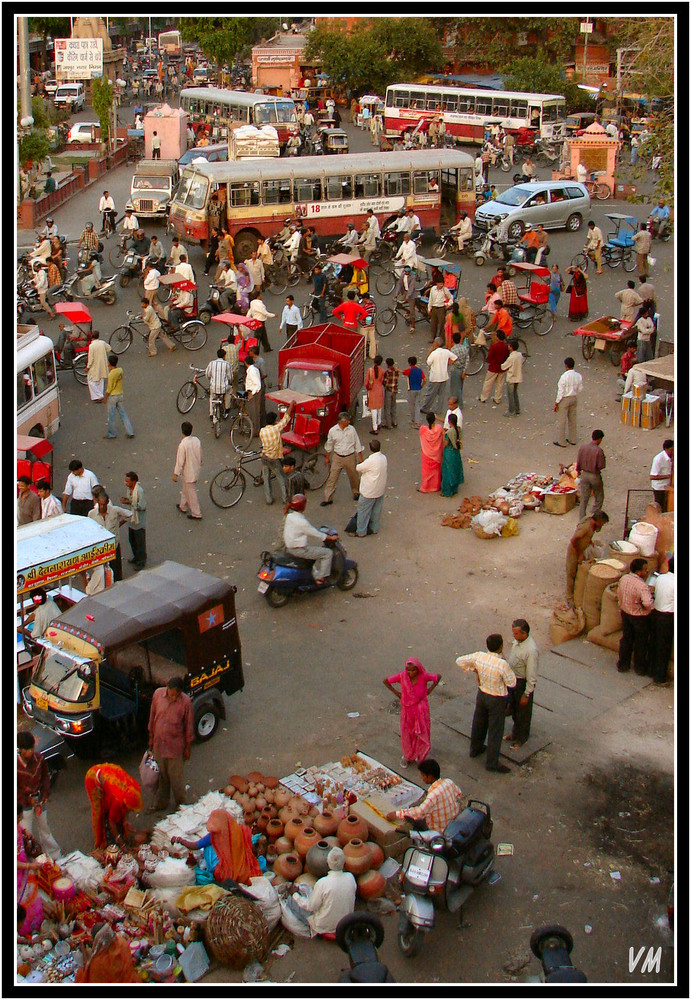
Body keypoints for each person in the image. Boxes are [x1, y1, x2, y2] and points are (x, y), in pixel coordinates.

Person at [456, 634, 517, 773]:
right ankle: (492, 762)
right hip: (497, 698)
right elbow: (512, 683)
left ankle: (475, 748)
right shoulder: (502, 664)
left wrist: (474, 670)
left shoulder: (479, 656)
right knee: (495, 730)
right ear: (501, 647)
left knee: (479, 723)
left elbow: (459, 661)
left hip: (482, 694)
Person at [171, 811, 261, 885]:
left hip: (224, 873)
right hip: (242, 869)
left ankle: (220, 874)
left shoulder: (214, 836)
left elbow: (195, 846)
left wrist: (181, 840)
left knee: (208, 848)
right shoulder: (237, 831)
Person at [148, 677, 194, 813]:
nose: (174, 698)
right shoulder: (157, 695)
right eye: (172, 694)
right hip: (159, 745)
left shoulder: (185, 702)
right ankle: (161, 803)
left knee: (177, 779)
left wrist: (187, 747)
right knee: (161, 777)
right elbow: (152, 716)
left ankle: (181, 804)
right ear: (167, 687)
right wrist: (151, 736)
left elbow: (189, 726)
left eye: (177, 695)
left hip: (175, 748)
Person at [383, 660, 441, 767]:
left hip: (421, 711)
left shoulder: (424, 676)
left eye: (413, 670)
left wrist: (429, 690)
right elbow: (386, 681)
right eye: (408, 670)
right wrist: (397, 693)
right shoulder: (402, 677)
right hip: (407, 711)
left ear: (418, 669)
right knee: (407, 733)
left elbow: (437, 677)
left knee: (422, 733)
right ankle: (407, 755)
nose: (411, 673)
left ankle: (420, 755)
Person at [287, 847, 356, 936]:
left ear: (327, 863)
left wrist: (294, 895)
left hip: (324, 926)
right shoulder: (350, 877)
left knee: (291, 902)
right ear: (344, 863)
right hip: (346, 923)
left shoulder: (322, 883)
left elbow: (310, 907)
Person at [17, 730, 61, 859]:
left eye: (31, 748)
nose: (30, 752)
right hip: (23, 805)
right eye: (26, 750)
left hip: (39, 800)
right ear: (20, 750)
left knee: (45, 829)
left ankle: (54, 855)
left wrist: (45, 793)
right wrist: (26, 800)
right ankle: (27, 860)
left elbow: (45, 777)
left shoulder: (39, 759)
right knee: (26, 833)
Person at [386, 759, 462, 831]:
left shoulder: (433, 796)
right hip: (453, 820)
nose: (422, 778)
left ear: (430, 777)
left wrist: (396, 814)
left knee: (414, 821)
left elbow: (419, 813)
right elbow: (459, 794)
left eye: (423, 775)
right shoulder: (449, 782)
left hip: (440, 828)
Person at [84, 764, 143, 850]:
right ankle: (98, 842)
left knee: (113, 811)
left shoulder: (134, 789)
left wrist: (125, 820)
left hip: (109, 776)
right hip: (93, 777)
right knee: (99, 811)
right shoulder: (117, 800)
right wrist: (121, 843)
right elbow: (111, 822)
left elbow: (126, 809)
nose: (132, 811)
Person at [284, 493, 333, 585]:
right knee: (327, 553)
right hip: (300, 550)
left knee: (313, 552)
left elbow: (285, 511)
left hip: (289, 548)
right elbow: (316, 534)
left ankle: (314, 574)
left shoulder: (289, 517)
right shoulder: (302, 522)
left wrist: (288, 505)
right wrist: (331, 538)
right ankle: (321, 578)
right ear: (303, 507)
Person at [616, 558, 654, 676]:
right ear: (639, 572)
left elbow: (619, 594)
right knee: (640, 643)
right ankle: (640, 668)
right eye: (645, 570)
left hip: (625, 614)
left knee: (626, 639)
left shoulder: (624, 579)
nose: (647, 572)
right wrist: (650, 607)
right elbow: (648, 603)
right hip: (639, 617)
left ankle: (623, 664)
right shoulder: (642, 586)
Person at [505, 620, 539, 749]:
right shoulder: (518, 642)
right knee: (513, 709)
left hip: (522, 683)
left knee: (523, 713)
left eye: (516, 633)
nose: (514, 636)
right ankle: (514, 734)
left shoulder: (531, 650)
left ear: (524, 634)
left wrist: (527, 693)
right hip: (513, 680)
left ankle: (521, 738)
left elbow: (531, 675)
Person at [565, 511, 609, 606]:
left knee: (578, 571)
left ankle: (576, 592)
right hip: (574, 551)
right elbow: (574, 539)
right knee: (571, 573)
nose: (602, 525)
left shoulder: (592, 525)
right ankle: (569, 597)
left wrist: (589, 541)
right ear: (598, 521)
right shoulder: (586, 527)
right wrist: (580, 553)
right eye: (602, 523)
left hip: (581, 548)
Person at [75, 923, 141, 984]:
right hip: (128, 980)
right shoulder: (122, 943)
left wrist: (84, 952)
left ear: (98, 941)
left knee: (80, 974)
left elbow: (91, 978)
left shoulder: (98, 962)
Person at [321, 411, 363, 505]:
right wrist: (327, 458)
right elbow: (329, 445)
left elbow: (357, 443)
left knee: (354, 477)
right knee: (332, 477)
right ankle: (328, 497)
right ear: (342, 422)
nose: (349, 422)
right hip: (337, 457)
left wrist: (360, 457)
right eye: (347, 420)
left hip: (350, 456)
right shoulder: (333, 431)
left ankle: (356, 491)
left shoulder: (351, 430)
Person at [88, 491, 132, 582]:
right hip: (101, 547)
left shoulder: (115, 510)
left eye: (104, 505)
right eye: (100, 505)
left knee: (116, 570)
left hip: (114, 545)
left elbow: (129, 514)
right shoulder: (92, 514)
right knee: (102, 570)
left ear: (108, 502)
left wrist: (119, 524)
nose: (102, 507)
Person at [259, 403, 295, 505]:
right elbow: (286, 418)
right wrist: (291, 404)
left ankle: (269, 499)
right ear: (274, 421)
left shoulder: (262, 431)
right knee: (281, 477)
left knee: (266, 478)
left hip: (265, 457)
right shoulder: (276, 429)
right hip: (273, 459)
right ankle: (285, 498)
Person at [17, 806, 45, 937]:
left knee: (32, 898)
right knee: (21, 905)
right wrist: (30, 866)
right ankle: (22, 931)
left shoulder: (16, 826)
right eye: (18, 818)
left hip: (24, 869)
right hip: (17, 876)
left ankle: (35, 923)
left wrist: (24, 831)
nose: (21, 819)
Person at [353, 439, 387, 537]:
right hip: (380, 490)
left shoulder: (370, 461)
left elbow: (358, 468)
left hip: (369, 491)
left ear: (370, 449)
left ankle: (361, 531)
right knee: (376, 510)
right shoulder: (383, 458)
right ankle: (374, 528)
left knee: (363, 511)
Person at [651, 557, 674, 686]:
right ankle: (660, 678)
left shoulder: (660, 578)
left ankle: (651, 670)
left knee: (654, 643)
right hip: (667, 617)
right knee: (664, 648)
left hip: (656, 613)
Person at [419, 338, 457, 417]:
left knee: (431, 393)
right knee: (441, 394)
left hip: (435, 377)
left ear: (436, 344)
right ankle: (438, 410)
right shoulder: (446, 352)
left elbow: (428, 362)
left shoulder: (434, 353)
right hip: (444, 376)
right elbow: (455, 358)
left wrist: (430, 351)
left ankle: (426, 407)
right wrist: (448, 363)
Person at [174, 421, 203, 520]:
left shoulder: (183, 445)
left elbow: (180, 461)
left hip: (188, 472)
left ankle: (196, 513)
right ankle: (183, 506)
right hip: (195, 469)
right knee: (186, 489)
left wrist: (176, 474)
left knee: (191, 492)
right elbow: (200, 454)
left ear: (182, 432)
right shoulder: (196, 440)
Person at [104, 354, 135, 440]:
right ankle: (130, 431)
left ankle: (112, 433)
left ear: (110, 364)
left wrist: (105, 398)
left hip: (113, 396)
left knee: (111, 416)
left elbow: (109, 388)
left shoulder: (111, 374)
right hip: (120, 395)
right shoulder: (120, 370)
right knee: (123, 414)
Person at [554, 357, 583, 448]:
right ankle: (572, 439)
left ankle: (562, 441)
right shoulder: (578, 376)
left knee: (562, 421)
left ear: (566, 366)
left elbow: (561, 392)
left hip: (565, 399)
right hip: (574, 398)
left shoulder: (564, 377)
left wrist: (557, 402)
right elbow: (580, 388)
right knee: (572, 419)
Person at [121, 471, 147, 570]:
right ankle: (136, 557)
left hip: (139, 521)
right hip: (131, 520)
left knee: (140, 542)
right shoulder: (129, 490)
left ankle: (141, 561)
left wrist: (131, 503)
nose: (126, 483)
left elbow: (142, 506)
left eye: (128, 481)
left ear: (134, 481)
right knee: (132, 540)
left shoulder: (139, 491)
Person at [576, 430, 606, 519]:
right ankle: (595, 515)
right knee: (599, 496)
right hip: (594, 476)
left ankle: (581, 517)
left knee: (584, 497)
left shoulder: (583, 447)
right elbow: (601, 465)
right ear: (599, 439)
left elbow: (579, 461)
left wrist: (578, 471)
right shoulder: (599, 451)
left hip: (584, 474)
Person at [479, 330, 510, 406]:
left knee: (488, 382)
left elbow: (489, 357)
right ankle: (497, 398)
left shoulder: (494, 346)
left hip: (493, 367)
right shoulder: (506, 346)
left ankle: (484, 397)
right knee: (500, 383)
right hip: (502, 367)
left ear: (497, 337)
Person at [418, 411, 444, 493]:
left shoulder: (423, 429)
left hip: (426, 454)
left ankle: (425, 487)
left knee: (426, 471)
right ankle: (435, 486)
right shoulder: (439, 428)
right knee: (436, 471)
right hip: (436, 454)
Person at [441, 412, 464, 496]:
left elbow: (446, 443)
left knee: (447, 472)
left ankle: (447, 492)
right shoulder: (458, 430)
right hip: (456, 453)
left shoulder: (449, 432)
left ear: (449, 422)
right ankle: (454, 489)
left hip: (449, 453)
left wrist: (443, 435)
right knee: (454, 470)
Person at [501, 338, 523, 418]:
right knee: (515, 393)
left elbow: (503, 367)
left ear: (511, 347)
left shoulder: (511, 357)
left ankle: (511, 411)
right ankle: (517, 409)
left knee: (510, 394)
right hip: (518, 377)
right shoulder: (519, 355)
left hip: (511, 378)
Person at [86, 331, 110, 403]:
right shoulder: (102, 343)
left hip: (95, 366)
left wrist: (88, 367)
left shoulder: (91, 346)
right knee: (100, 380)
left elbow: (91, 359)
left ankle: (99, 395)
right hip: (102, 364)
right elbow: (109, 348)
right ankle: (100, 394)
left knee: (91, 381)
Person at [364, 356, 386, 435]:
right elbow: (382, 380)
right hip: (379, 390)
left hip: (372, 391)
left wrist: (368, 388)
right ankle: (379, 422)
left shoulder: (370, 370)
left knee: (373, 409)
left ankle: (374, 427)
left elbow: (366, 383)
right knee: (379, 407)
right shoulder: (382, 371)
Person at [650, 440, 673, 511]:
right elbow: (652, 476)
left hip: (668, 487)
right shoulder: (658, 459)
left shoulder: (672, 457)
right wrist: (669, 476)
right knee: (660, 508)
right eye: (672, 449)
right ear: (666, 449)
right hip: (660, 488)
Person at [403, 356, 426, 427]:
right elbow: (425, 379)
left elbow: (403, 372)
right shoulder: (420, 370)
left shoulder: (409, 371)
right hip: (418, 389)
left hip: (412, 389)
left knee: (412, 405)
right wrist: (421, 386)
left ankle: (413, 419)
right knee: (417, 405)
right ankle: (418, 421)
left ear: (409, 363)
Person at [243, 355, 262, 436]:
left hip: (254, 393)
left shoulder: (252, 371)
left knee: (254, 412)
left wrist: (252, 393)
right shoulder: (253, 369)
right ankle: (254, 429)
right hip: (253, 392)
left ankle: (255, 431)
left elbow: (258, 384)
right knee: (254, 412)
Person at [381, 358, 401, 430]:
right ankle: (394, 422)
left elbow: (385, 382)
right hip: (394, 390)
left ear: (387, 364)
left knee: (387, 407)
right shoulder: (396, 371)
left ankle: (388, 424)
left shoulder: (387, 372)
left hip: (388, 391)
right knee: (393, 406)